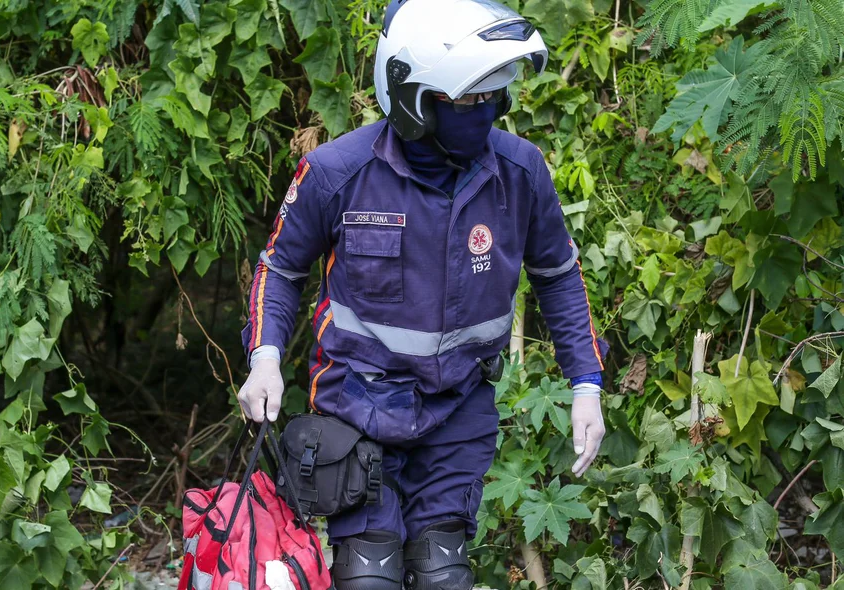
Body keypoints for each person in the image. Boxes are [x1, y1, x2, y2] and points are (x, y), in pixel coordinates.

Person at [238, 1, 608, 588]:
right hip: (356, 408)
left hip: (459, 407)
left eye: (491, 98)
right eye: (464, 101)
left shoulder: (520, 173)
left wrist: (586, 384)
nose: (481, 113)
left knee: (442, 571)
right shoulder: (337, 172)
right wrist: (264, 361)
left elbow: (558, 275)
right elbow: (278, 271)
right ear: (411, 96)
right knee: (369, 575)